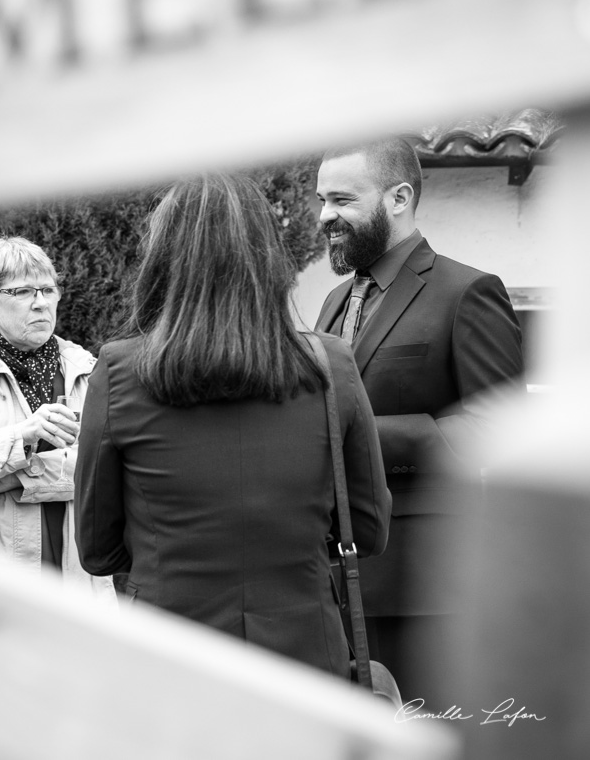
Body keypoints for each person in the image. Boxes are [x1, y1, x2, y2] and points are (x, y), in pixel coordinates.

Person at [74, 173, 391, 676]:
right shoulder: (331, 364)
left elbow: (97, 549)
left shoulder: (118, 371)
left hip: (167, 656)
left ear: (163, 262)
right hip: (306, 657)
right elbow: (368, 530)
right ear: (268, 259)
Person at [315, 137, 525, 706]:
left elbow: (497, 431)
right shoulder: (333, 301)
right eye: (321, 201)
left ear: (399, 197)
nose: (324, 216)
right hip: (333, 582)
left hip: (426, 583)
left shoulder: (468, 292)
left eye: (341, 200)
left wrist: (352, 441)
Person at [0, 235, 113, 600]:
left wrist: (9, 474)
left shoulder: (87, 368)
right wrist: (24, 437)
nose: (41, 303)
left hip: (77, 579)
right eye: (24, 292)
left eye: (48, 289)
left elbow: (103, 469)